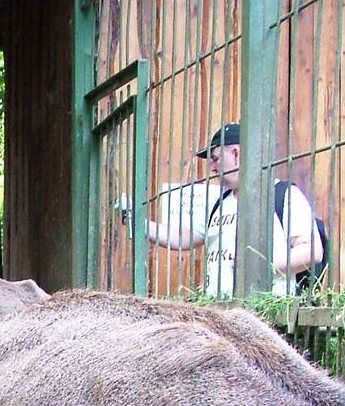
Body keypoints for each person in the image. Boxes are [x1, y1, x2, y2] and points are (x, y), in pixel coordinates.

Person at [122, 122, 324, 299]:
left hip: (265, 314)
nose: (212, 167)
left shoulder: (283, 195)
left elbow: (312, 251)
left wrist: (257, 267)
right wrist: (139, 224)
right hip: (220, 312)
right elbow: (186, 237)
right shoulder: (219, 202)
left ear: (236, 154)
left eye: (216, 158)